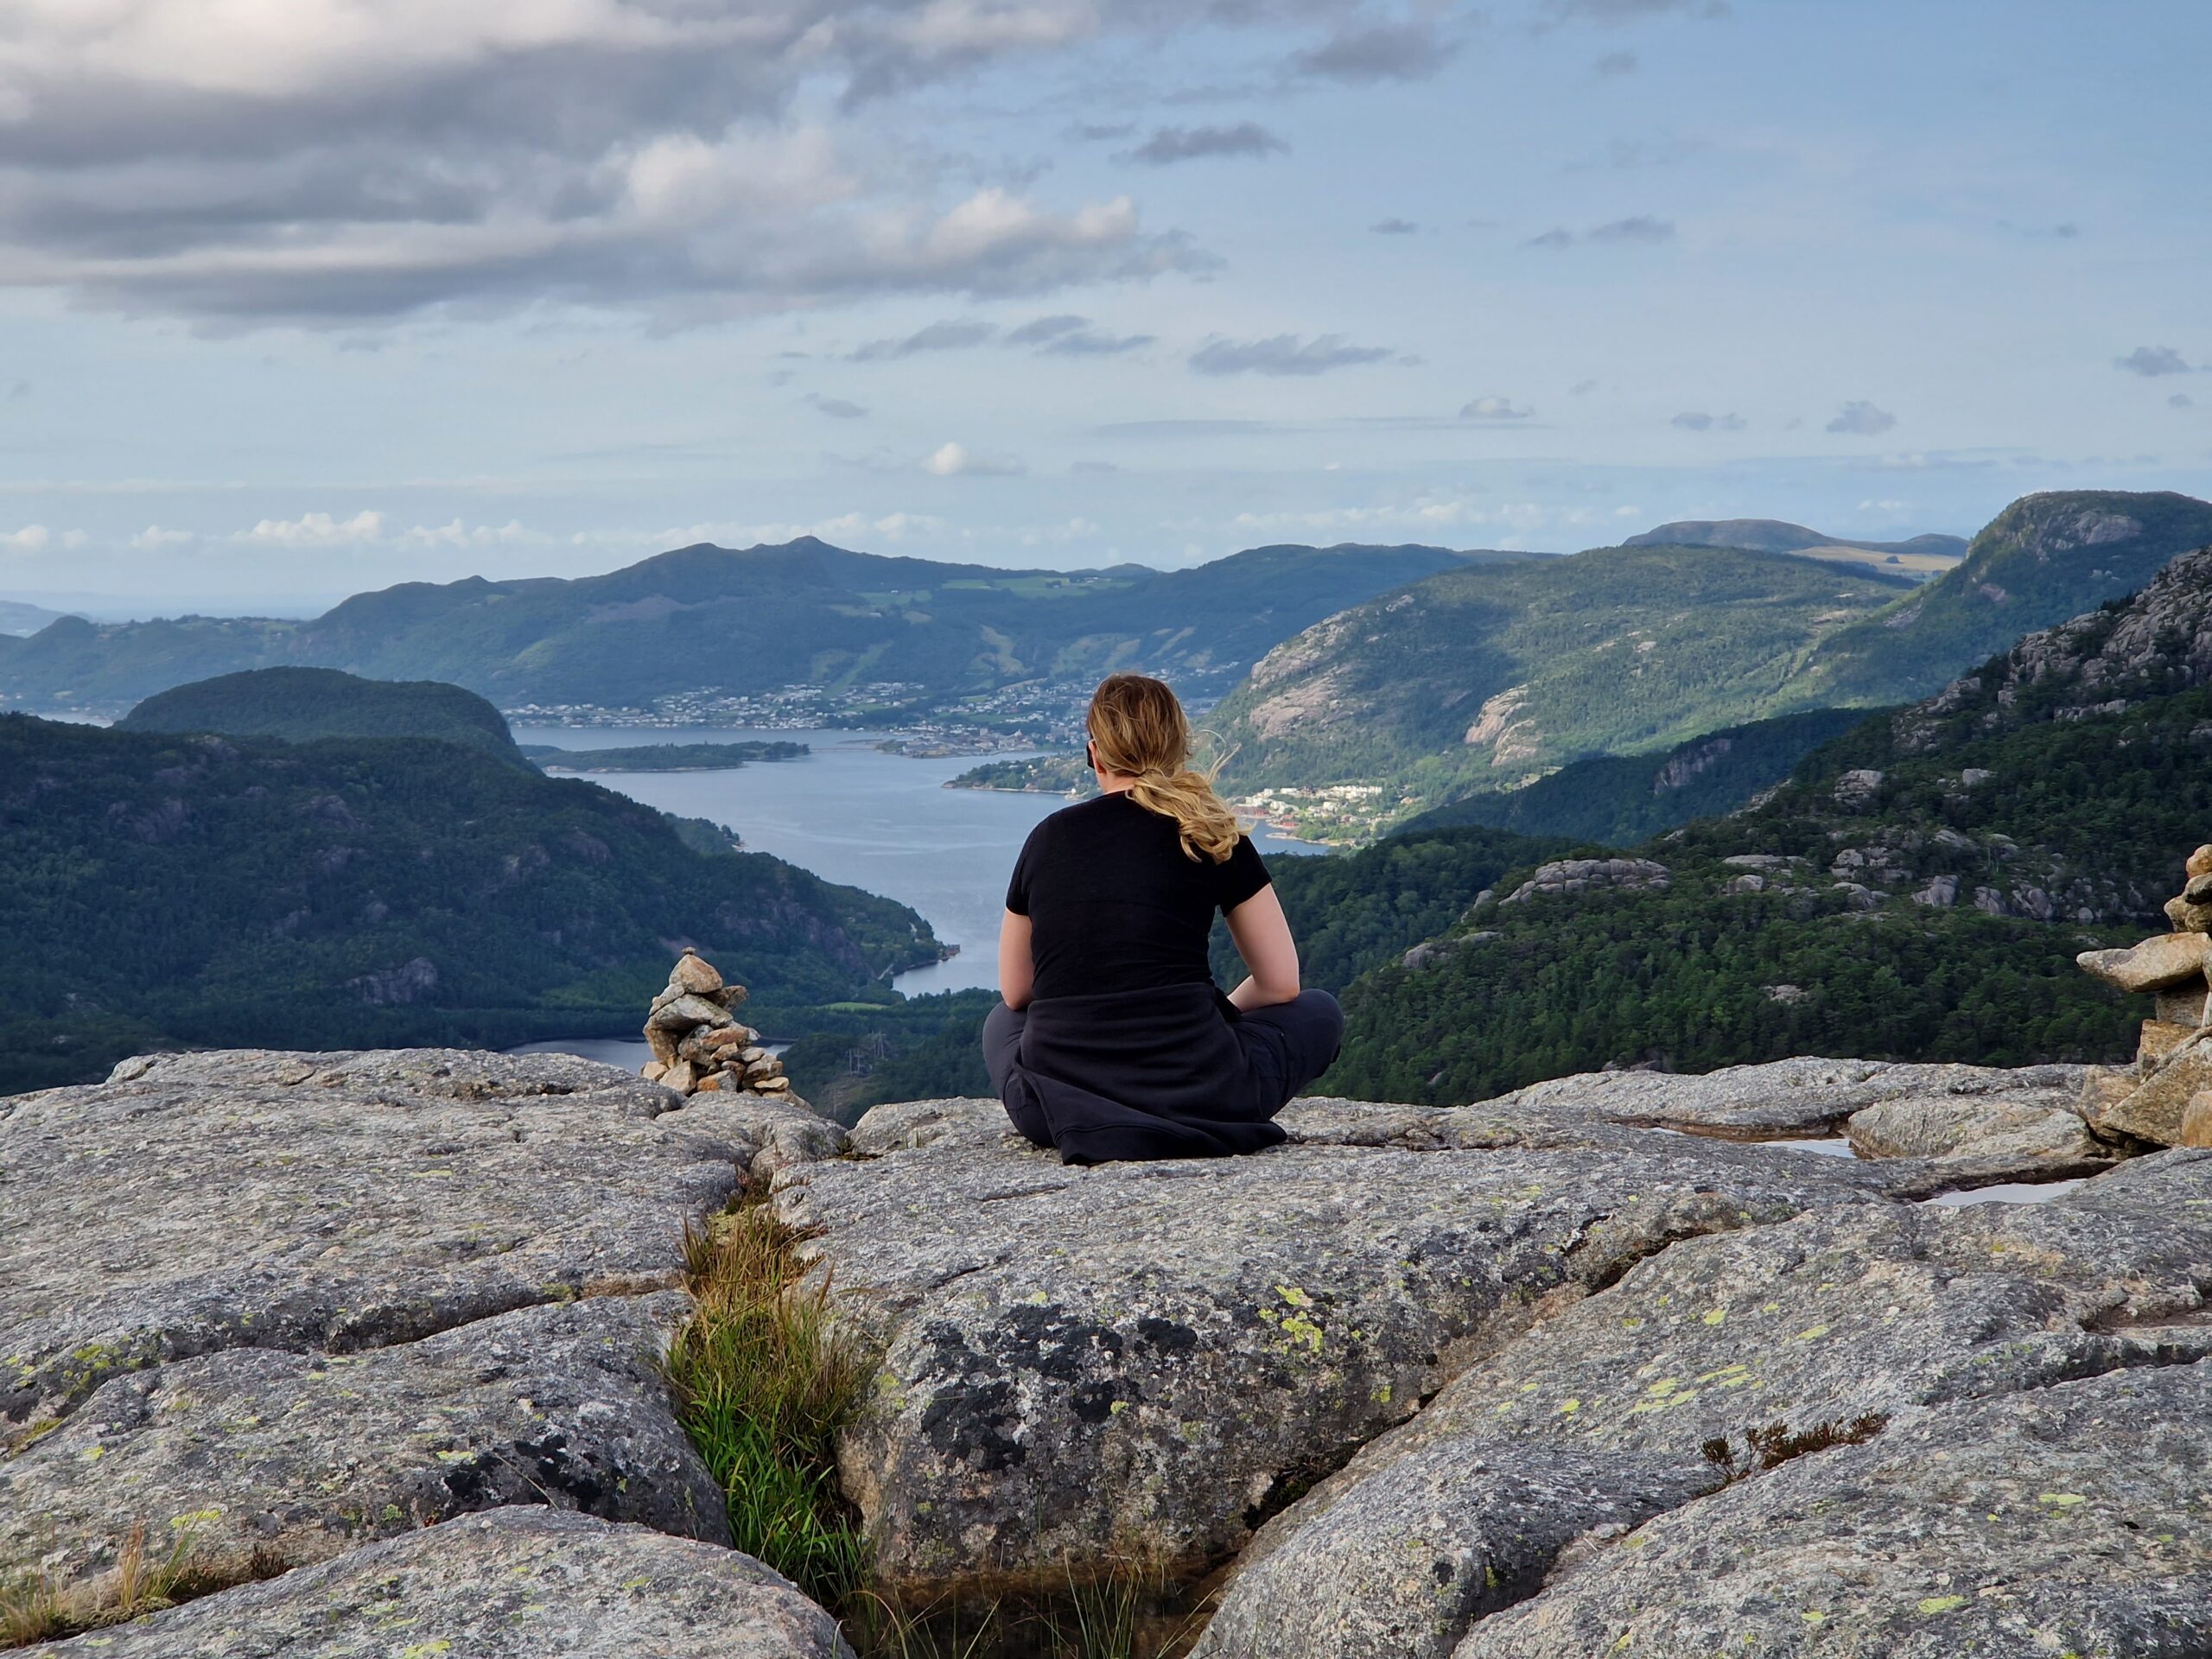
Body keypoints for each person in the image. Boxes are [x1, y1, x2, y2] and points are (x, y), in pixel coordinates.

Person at [982, 673, 1344, 1163]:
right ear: (1179, 750)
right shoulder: (1211, 833)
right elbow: (1281, 986)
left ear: (1095, 755)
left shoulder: (1049, 838)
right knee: (1320, 1009)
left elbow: (1017, 992)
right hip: (1209, 1097)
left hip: (1057, 1111)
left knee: (1000, 1021)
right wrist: (1219, 1017)